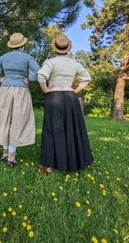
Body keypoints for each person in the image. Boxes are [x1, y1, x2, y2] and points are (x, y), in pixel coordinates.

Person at [37, 34, 93, 173]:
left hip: (54, 96)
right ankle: (72, 162)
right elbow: (87, 77)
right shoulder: (75, 64)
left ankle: (48, 166)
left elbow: (41, 76)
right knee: (71, 128)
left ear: (55, 49)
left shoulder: (50, 62)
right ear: (68, 49)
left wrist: (46, 90)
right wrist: (77, 90)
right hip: (70, 96)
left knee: (51, 129)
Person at [0, 33, 40, 166]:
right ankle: (11, 157)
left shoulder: (4, 57)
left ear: (12, 46)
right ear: (23, 45)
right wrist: (29, 79)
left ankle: (5, 153)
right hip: (21, 91)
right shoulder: (28, 57)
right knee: (17, 121)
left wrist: (0, 78)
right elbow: (39, 72)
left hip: (5, 90)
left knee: (4, 120)